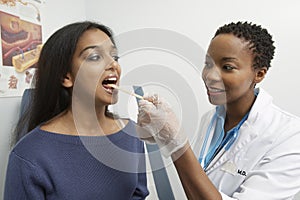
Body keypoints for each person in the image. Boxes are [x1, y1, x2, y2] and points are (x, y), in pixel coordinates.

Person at [137, 21, 300, 199]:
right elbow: (197, 181)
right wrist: (161, 136)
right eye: (208, 64)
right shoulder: (211, 119)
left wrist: (176, 143)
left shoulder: (290, 137)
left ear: (259, 74)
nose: (210, 76)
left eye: (227, 67)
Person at [4, 21, 149, 200]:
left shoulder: (132, 134)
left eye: (114, 57)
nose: (113, 65)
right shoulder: (28, 155)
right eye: (95, 57)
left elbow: (138, 195)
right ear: (66, 77)